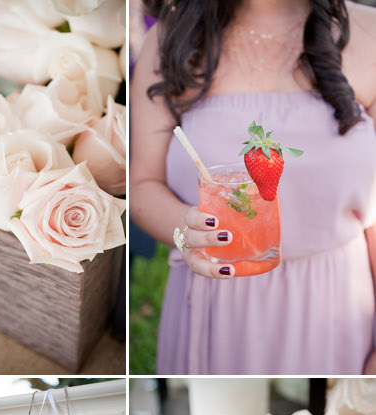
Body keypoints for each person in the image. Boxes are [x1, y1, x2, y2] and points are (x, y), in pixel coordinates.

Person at [130, 0, 376, 375]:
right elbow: (143, 184)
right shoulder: (168, 39)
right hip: (216, 303)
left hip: (336, 306)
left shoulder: (371, 33)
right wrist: (186, 229)